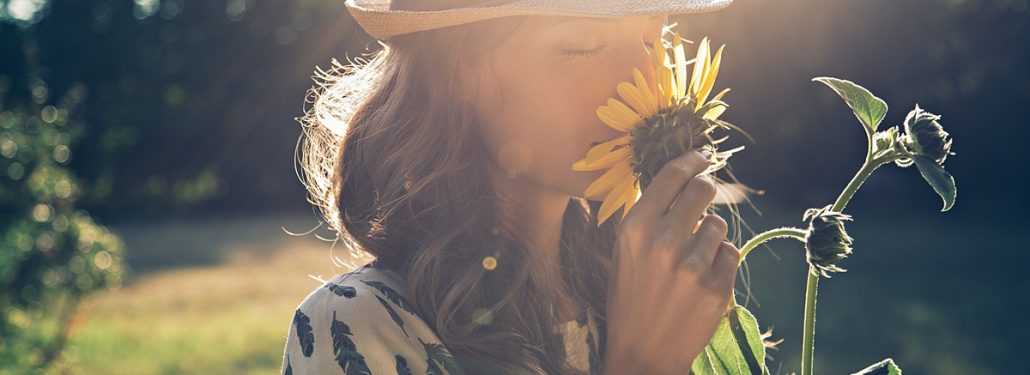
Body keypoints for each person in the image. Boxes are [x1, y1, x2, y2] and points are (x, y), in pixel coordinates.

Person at [282, 1, 741, 374]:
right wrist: (643, 364)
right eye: (581, 46)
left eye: (651, 39)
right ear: (460, 67)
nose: (647, 79)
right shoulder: (359, 328)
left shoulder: (645, 289)